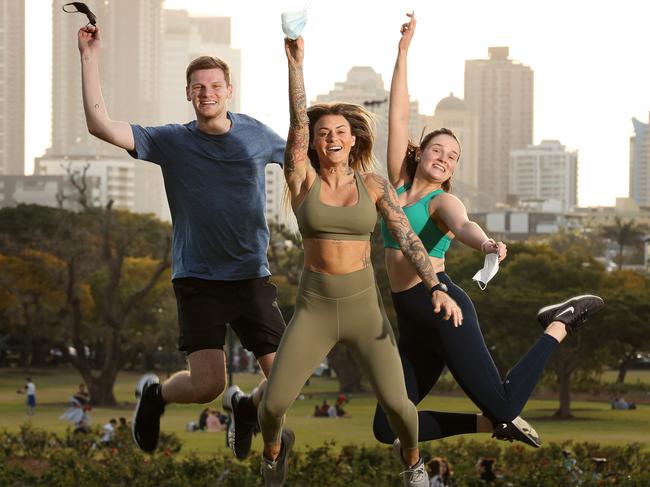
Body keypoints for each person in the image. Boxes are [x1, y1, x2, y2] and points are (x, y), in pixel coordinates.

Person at [372, 13, 605, 450]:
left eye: (453, 156)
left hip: (443, 305)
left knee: (502, 403)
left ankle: (558, 324)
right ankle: (489, 427)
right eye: (437, 149)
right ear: (419, 152)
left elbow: (464, 226)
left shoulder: (443, 201)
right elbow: (398, 111)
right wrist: (403, 51)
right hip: (411, 319)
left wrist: (485, 243)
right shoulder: (396, 184)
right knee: (389, 428)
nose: (443, 158)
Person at [255, 34, 464, 487]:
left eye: (341, 132)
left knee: (400, 407)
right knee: (271, 407)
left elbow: (409, 240)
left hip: (362, 308)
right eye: (324, 132)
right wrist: (296, 67)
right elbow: (296, 125)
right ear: (315, 141)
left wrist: (437, 287)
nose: (332, 138)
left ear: (353, 140)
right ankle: (274, 454)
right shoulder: (301, 177)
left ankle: (413, 464)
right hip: (313, 308)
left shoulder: (373, 185)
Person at [77, 22, 287, 457]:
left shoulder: (257, 135)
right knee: (209, 385)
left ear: (229, 90)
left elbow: (304, 163)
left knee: (288, 378)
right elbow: (100, 125)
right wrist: (90, 57)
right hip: (199, 280)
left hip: (251, 276)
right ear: (188, 94)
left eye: (214, 85)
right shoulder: (171, 140)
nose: (206, 92)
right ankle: (156, 396)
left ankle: (247, 408)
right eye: (197, 87)